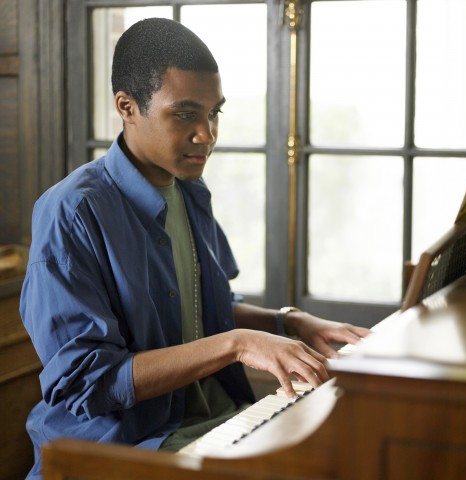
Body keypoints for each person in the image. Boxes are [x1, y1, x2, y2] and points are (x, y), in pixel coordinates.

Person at [20, 18, 369, 479]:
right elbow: (86, 382)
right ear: (127, 107)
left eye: (214, 113)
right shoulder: (72, 212)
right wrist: (238, 345)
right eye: (185, 114)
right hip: (121, 450)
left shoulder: (189, 190)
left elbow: (201, 309)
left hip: (213, 423)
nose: (207, 133)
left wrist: (289, 322)